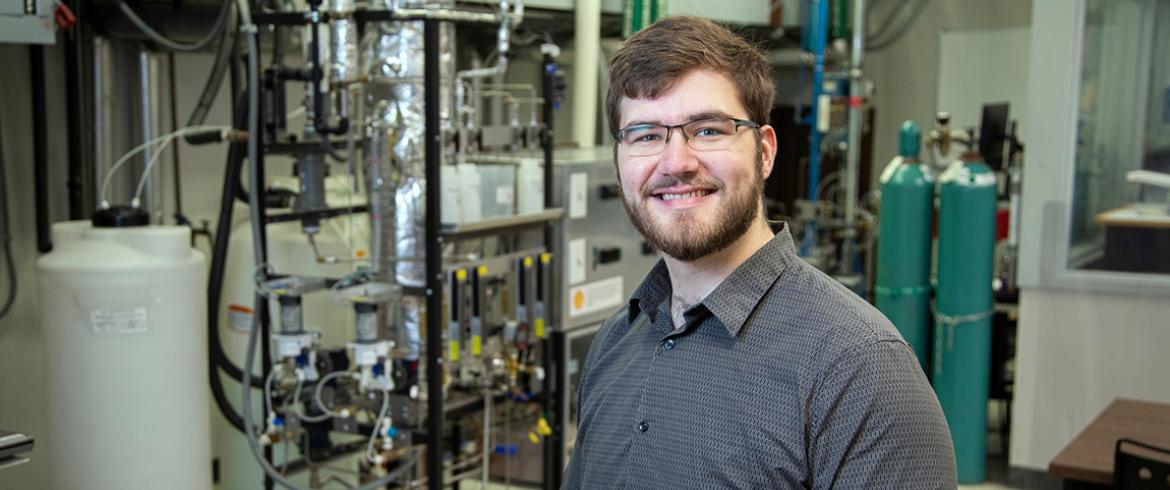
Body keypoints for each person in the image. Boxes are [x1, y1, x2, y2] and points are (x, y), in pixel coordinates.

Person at [561, 16, 956, 489]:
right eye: (645, 135)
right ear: (620, 160)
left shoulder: (861, 369)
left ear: (764, 152)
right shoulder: (615, 342)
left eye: (708, 129)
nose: (676, 162)